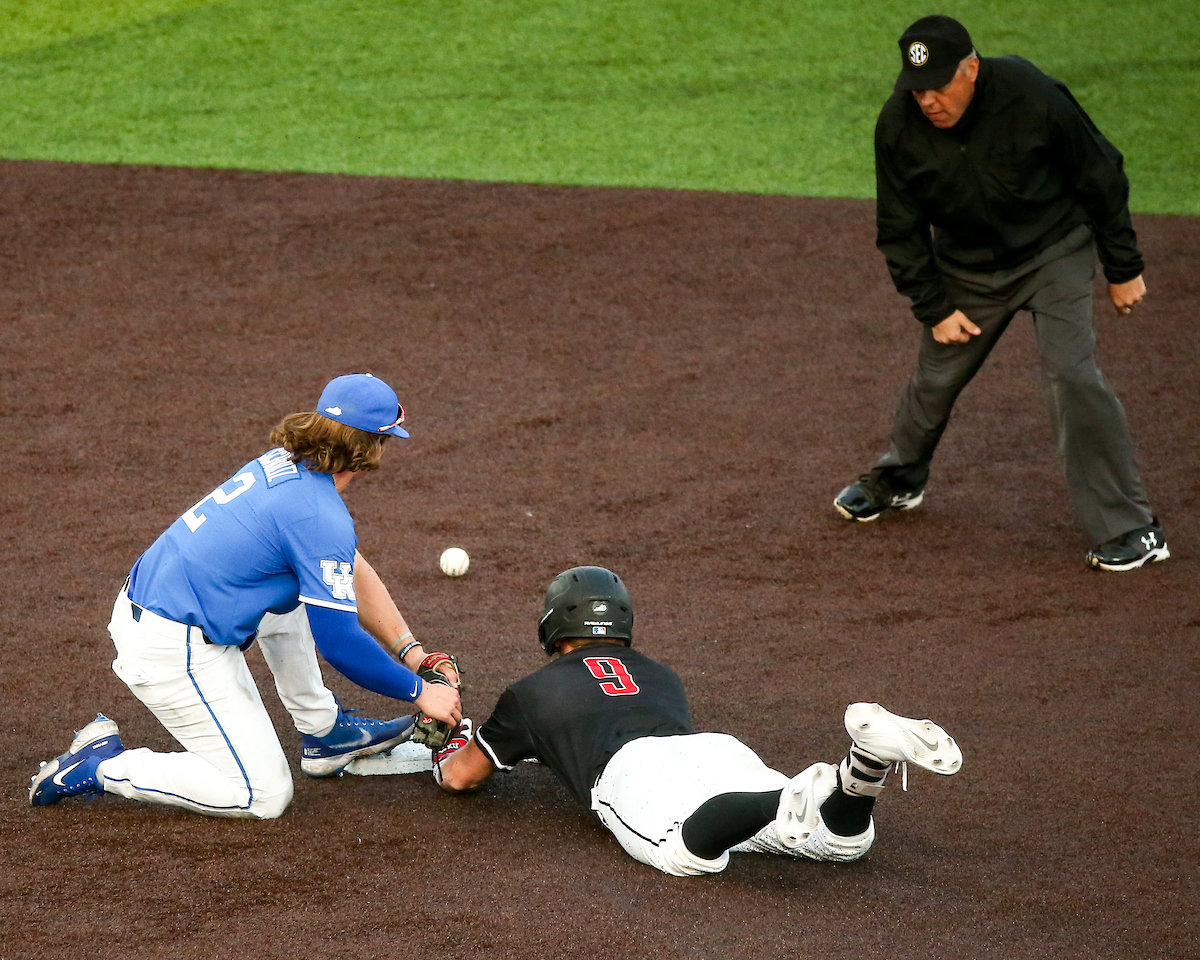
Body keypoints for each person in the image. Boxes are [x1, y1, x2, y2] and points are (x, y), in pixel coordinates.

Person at [30, 373, 462, 818]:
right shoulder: (319, 517)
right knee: (263, 796)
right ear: (374, 446)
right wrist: (418, 692)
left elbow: (346, 566)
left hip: (161, 601)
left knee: (299, 586)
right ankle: (103, 765)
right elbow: (340, 643)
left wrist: (411, 653)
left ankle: (324, 732)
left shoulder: (285, 462)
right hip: (169, 647)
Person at [833, 15, 1168, 572]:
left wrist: (1123, 264)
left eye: (939, 85)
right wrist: (934, 306)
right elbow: (899, 226)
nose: (928, 100)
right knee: (937, 377)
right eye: (917, 89)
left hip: (1054, 252)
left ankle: (1133, 528)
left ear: (971, 68)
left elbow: (1099, 172)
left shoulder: (1030, 94)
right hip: (967, 267)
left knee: (1072, 373)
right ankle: (900, 481)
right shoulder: (898, 124)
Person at [433, 566, 961, 877]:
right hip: (716, 753)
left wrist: (448, 746)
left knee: (684, 850)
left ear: (553, 624)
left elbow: (463, 775)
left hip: (634, 771)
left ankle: (784, 799)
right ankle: (861, 768)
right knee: (840, 845)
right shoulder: (663, 675)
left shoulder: (533, 693)